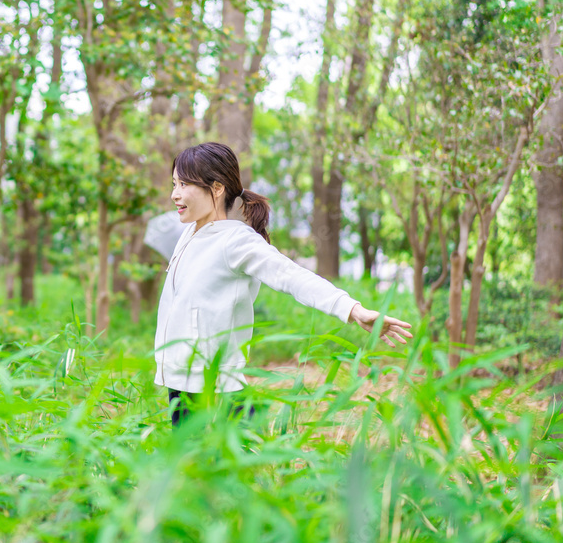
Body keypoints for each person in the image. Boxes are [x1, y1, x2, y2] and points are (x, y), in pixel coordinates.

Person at [156, 142, 413, 427]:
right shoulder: (191, 232)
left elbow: (291, 276)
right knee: (194, 466)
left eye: (183, 184)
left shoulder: (237, 241)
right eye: (174, 184)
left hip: (214, 383)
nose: (174, 194)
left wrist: (352, 309)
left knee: (218, 463)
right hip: (182, 378)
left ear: (217, 189)